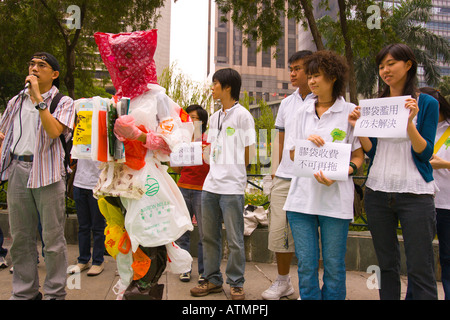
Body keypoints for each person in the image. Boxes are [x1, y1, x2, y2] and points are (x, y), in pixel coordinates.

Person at [349, 44, 439, 300]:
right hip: (378, 192)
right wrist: (359, 127)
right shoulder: (377, 105)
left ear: (408, 65)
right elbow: (374, 152)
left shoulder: (427, 103)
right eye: (381, 66)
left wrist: (409, 122)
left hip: (416, 193)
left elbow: (425, 152)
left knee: (420, 267)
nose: (385, 70)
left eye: (391, 64)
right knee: (386, 265)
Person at [283, 50, 364, 300]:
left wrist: (342, 172)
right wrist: (307, 144)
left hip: (334, 202)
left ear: (333, 77)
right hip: (301, 201)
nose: (312, 81)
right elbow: (294, 155)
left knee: (334, 267)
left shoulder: (351, 112)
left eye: (317, 76)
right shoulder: (301, 113)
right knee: (306, 266)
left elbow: (359, 158)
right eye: (310, 76)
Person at [0, 52, 75, 300]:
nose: (34, 68)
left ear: (54, 74)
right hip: (18, 171)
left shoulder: (63, 102)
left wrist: (38, 99)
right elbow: (5, 134)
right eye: (31, 63)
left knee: (52, 240)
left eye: (41, 65)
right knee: (20, 238)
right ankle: (25, 292)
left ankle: (55, 293)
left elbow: (54, 132)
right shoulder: (15, 101)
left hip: (49, 174)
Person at [190, 68, 256, 300]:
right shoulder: (215, 117)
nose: (212, 87)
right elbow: (212, 148)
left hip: (232, 188)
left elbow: (248, 153)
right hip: (210, 186)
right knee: (209, 236)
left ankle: (236, 282)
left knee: (236, 239)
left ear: (228, 87)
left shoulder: (243, 116)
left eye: (215, 83)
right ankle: (212, 280)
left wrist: (234, 171)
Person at [261, 50, 313, 300]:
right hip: (284, 176)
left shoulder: (325, 99)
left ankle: (308, 287)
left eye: (298, 69)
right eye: (291, 68)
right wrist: (273, 174)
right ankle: (283, 282)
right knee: (279, 230)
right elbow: (279, 141)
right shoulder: (286, 102)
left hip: (311, 177)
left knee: (307, 233)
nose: (292, 73)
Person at [172, 104, 210, 283]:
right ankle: (184, 268)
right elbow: (178, 168)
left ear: (202, 121)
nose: (189, 120)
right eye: (187, 117)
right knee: (183, 231)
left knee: (205, 233)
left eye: (193, 117)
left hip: (203, 190)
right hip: (184, 188)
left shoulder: (209, 140)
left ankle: (204, 271)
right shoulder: (182, 141)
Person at [420, 87, 450, 300]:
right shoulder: (418, 128)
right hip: (422, 201)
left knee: (448, 257)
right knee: (420, 256)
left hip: (447, 204)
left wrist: (445, 164)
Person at [67, 158, 105, 276]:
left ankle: (98, 261)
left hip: (97, 182)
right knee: (83, 226)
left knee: (98, 226)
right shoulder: (78, 138)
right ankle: (83, 260)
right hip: (79, 182)